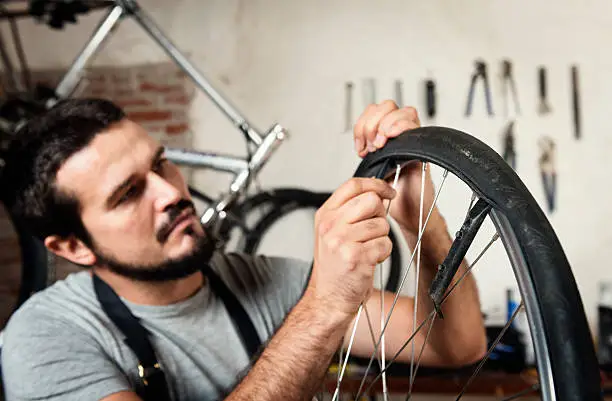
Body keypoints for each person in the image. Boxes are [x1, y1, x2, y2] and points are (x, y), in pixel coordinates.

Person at [0, 98, 486, 401]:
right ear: (71, 246)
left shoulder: (268, 283)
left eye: (161, 165)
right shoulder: (46, 337)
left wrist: (420, 218)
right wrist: (323, 310)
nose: (172, 192)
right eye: (128, 194)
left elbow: (458, 343)